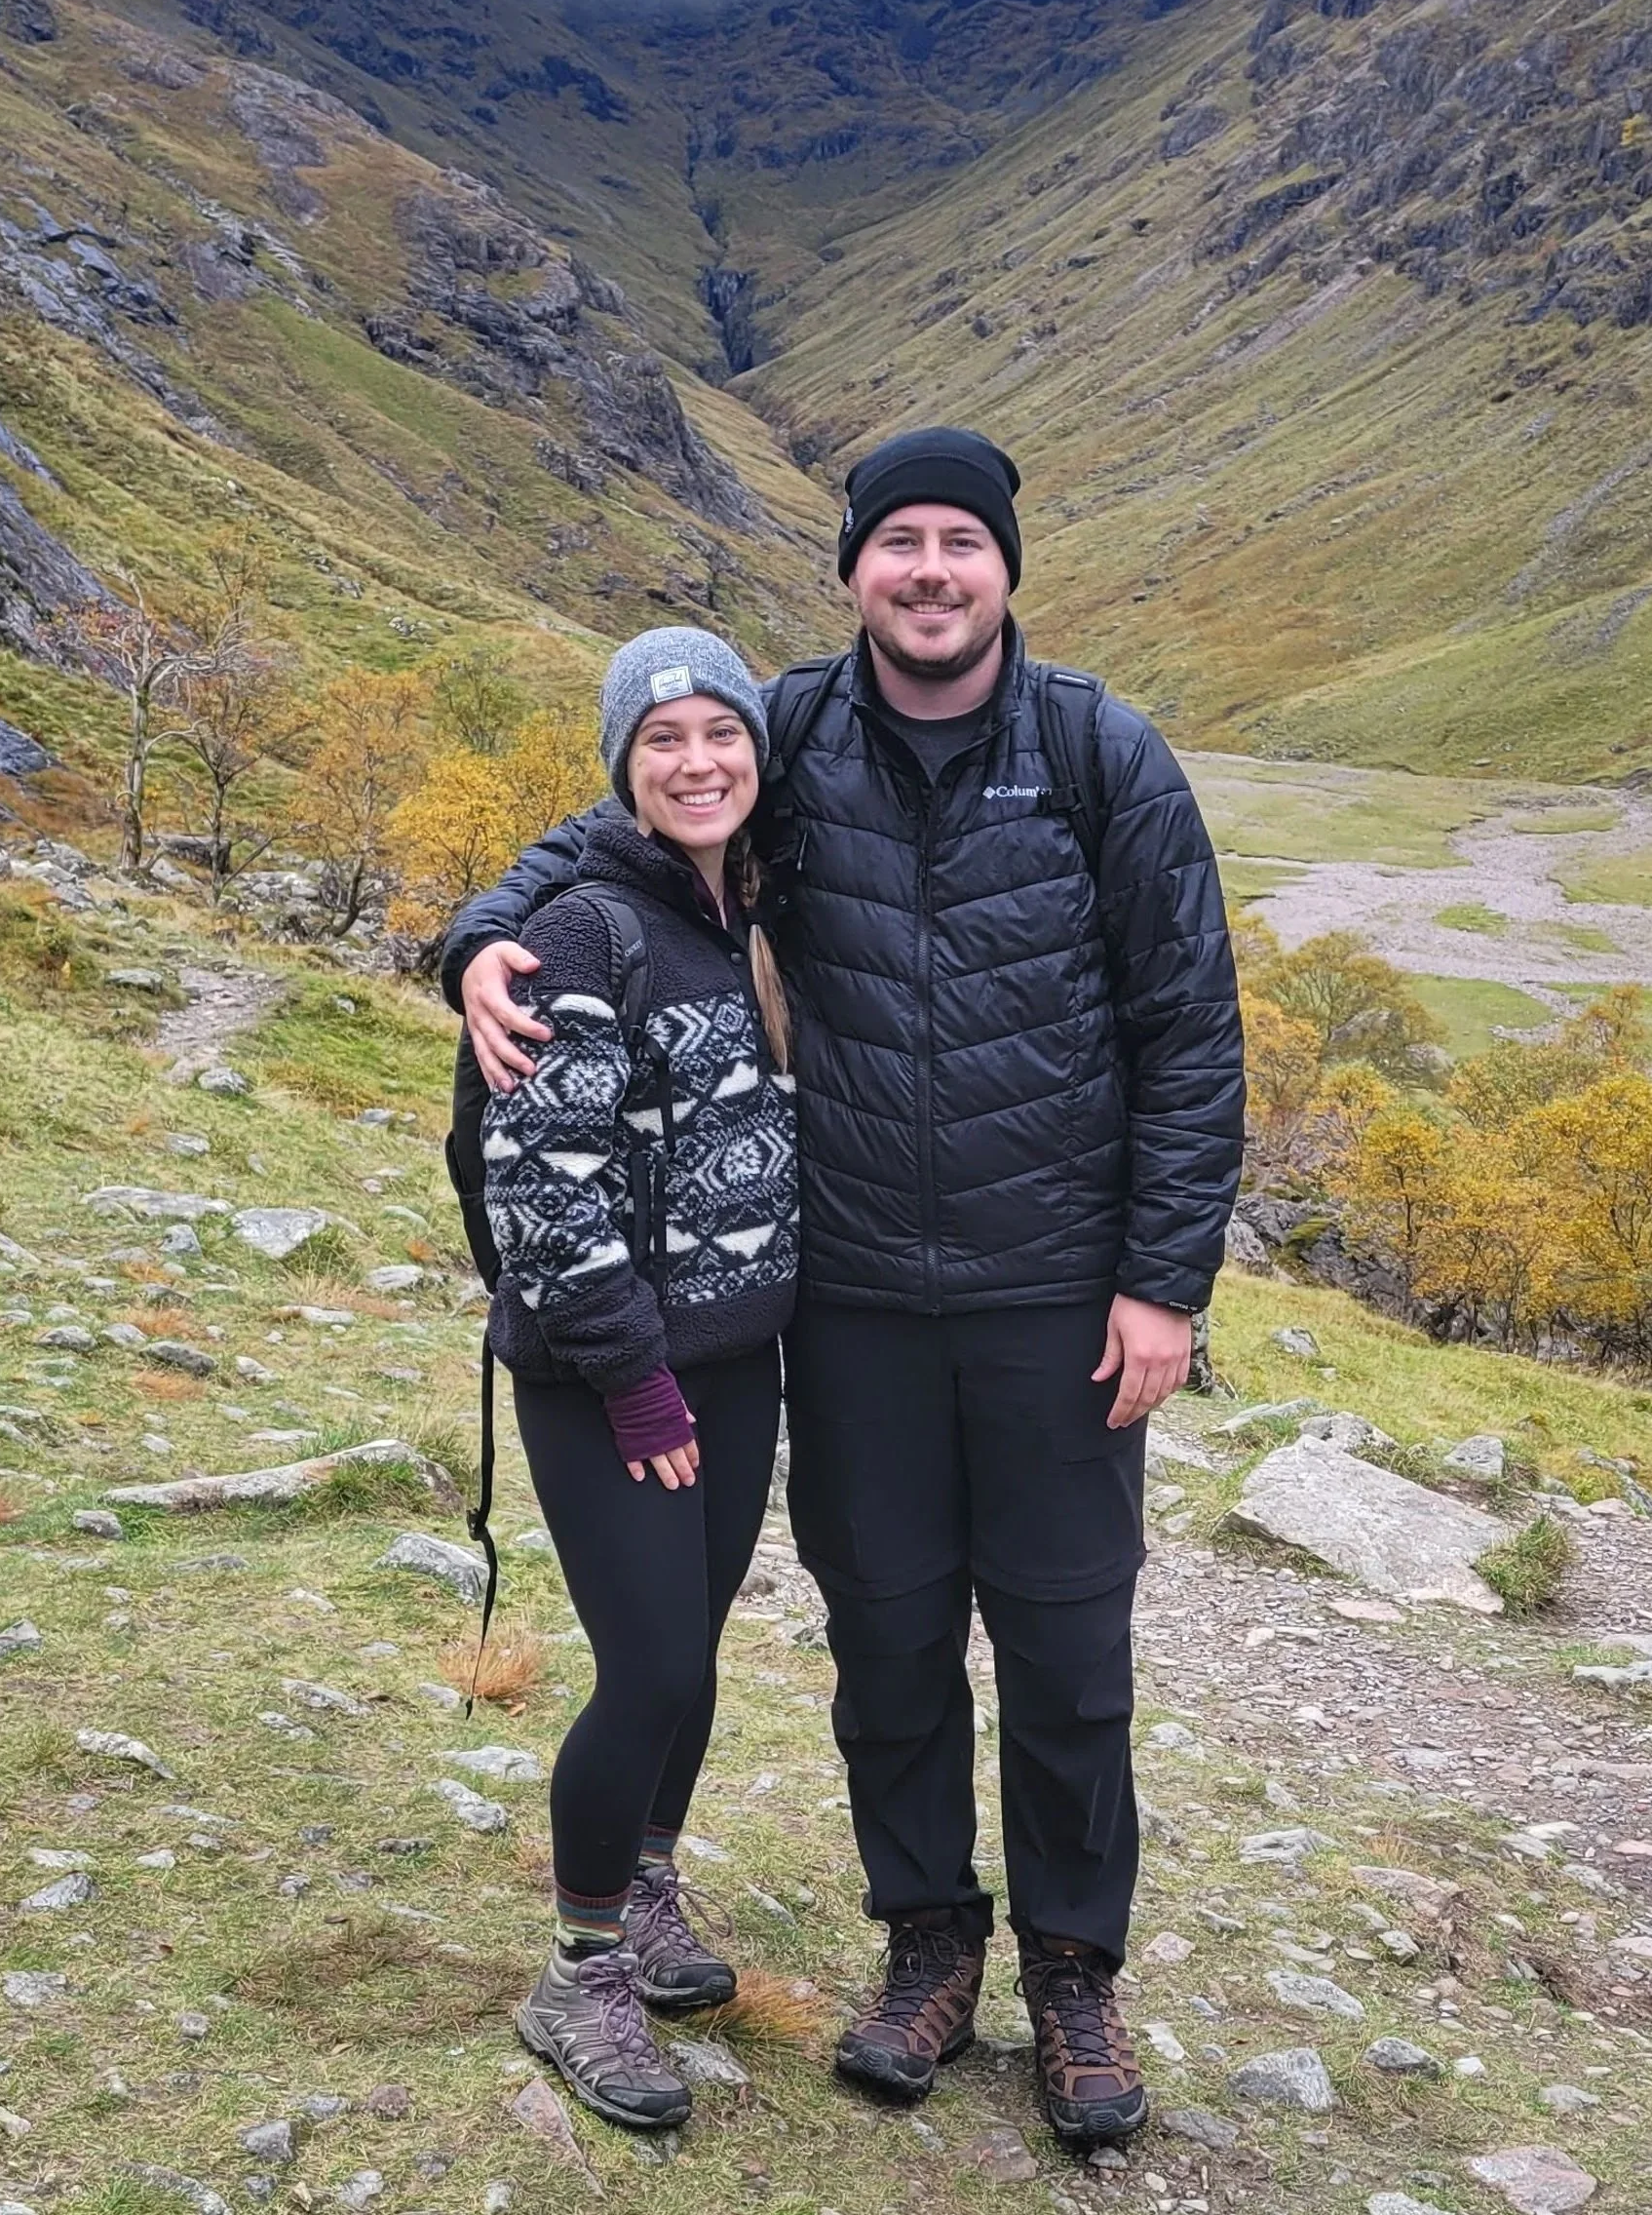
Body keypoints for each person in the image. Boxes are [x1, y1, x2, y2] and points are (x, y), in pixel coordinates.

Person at [446, 429, 1245, 2155]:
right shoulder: (789, 731)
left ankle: (1077, 1976)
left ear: (1009, 569)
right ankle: (925, 1950)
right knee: (887, 1634)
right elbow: (618, 830)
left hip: (1055, 1296)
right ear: (856, 574)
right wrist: (475, 941)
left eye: (965, 542)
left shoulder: (1105, 755)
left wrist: (1163, 1283)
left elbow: (1192, 1032)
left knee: (1066, 1644)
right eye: (901, 545)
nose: (934, 571)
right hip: (859, 1299)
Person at [480, 626, 798, 2134]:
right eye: (660, 740)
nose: (696, 761)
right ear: (621, 765)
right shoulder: (588, 928)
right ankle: (583, 1969)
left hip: (741, 1361)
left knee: (700, 1647)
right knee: (652, 1663)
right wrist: (635, 1382)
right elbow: (544, 1184)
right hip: (617, 1375)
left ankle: (650, 1879)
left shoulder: (754, 906)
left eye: (718, 733)